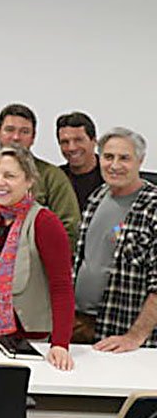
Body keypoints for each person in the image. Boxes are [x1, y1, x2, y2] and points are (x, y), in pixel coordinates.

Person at [0, 145, 75, 371]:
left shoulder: (45, 223)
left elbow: (62, 287)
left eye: (9, 176)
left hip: (29, 343)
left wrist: (60, 345)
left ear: (29, 181)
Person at [73, 128, 157, 350]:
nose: (114, 165)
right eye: (109, 157)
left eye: (124, 158)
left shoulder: (152, 206)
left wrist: (135, 336)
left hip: (124, 333)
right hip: (80, 323)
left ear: (140, 161)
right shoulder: (97, 196)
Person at [0, 103, 80, 249]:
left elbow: (69, 228)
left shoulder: (52, 177)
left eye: (24, 132)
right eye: (9, 130)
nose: (16, 137)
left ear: (33, 137)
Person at [56, 111, 105, 212]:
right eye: (65, 142)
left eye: (78, 140)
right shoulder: (55, 179)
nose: (71, 148)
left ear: (94, 141)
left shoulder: (113, 175)